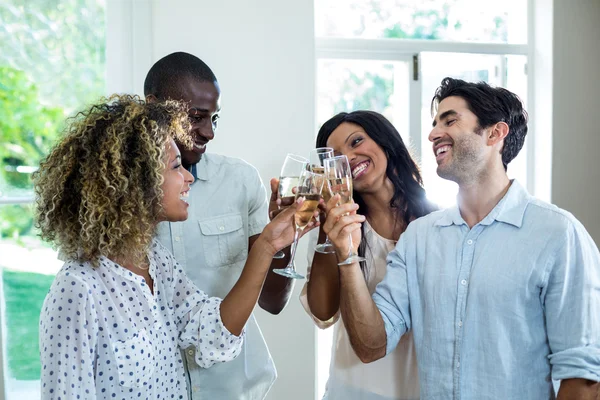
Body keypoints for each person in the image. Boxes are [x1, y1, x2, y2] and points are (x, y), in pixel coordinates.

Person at [327, 78, 600, 399]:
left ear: (495, 133)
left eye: (450, 120)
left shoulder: (557, 234)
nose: (432, 134)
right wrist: (347, 256)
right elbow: (372, 344)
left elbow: (582, 377)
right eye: (433, 124)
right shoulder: (419, 238)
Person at [35, 95, 314, 399]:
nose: (187, 178)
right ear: (135, 181)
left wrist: (268, 245)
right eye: (176, 166)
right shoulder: (78, 290)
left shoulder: (157, 263)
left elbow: (214, 335)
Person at [144, 52, 293, 399]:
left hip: (235, 389)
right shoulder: (118, 203)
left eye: (214, 119)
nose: (209, 132)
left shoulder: (241, 181)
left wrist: (281, 238)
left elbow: (273, 301)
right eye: (196, 117)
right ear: (153, 108)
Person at [300, 111, 435, 399]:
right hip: (353, 388)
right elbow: (323, 312)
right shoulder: (340, 230)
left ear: (385, 140)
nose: (348, 157)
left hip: (421, 388)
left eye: (356, 141)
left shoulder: (438, 222)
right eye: (334, 157)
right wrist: (329, 229)